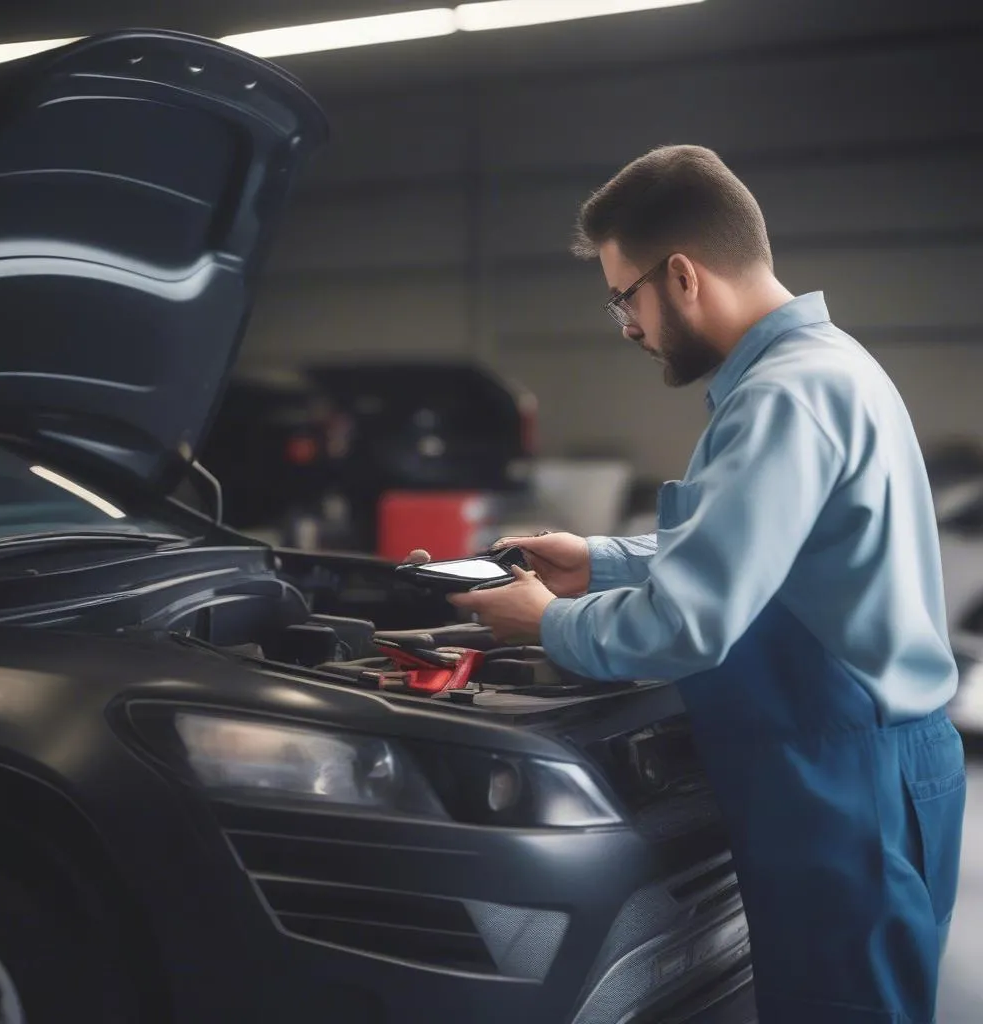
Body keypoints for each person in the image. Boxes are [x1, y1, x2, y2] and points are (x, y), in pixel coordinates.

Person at [407, 145, 965, 1024]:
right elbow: (760, 550)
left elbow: (692, 622)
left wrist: (547, 622)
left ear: (683, 276)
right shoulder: (831, 367)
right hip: (873, 761)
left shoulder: (780, 398)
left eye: (624, 297)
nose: (626, 325)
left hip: (844, 778)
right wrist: (596, 559)